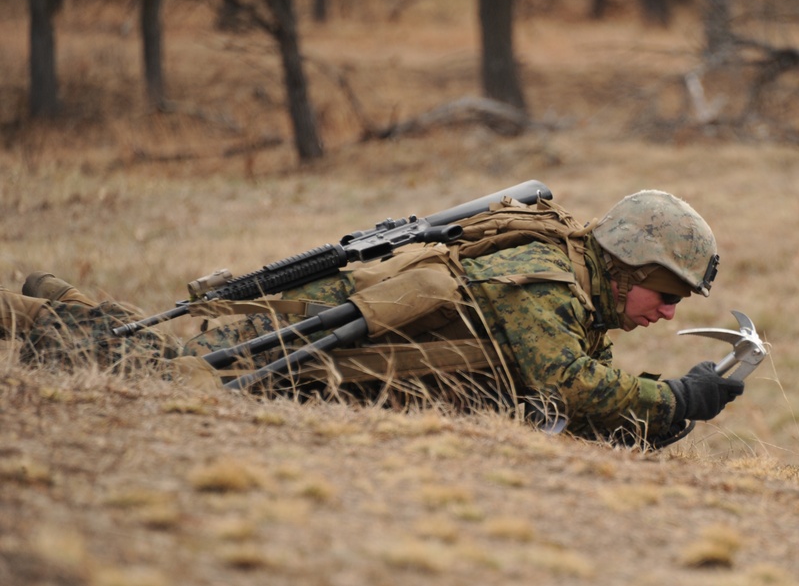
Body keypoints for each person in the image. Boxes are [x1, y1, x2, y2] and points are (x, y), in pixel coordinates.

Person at [0, 189, 743, 447]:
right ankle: (28, 311)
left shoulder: (572, 281)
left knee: (151, 344)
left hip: (332, 343)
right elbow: (572, 388)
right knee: (147, 364)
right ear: (625, 266)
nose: (666, 313)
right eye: (664, 294)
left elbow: (568, 398)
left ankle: (51, 300)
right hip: (311, 340)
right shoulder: (542, 275)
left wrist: (666, 414)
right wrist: (677, 399)